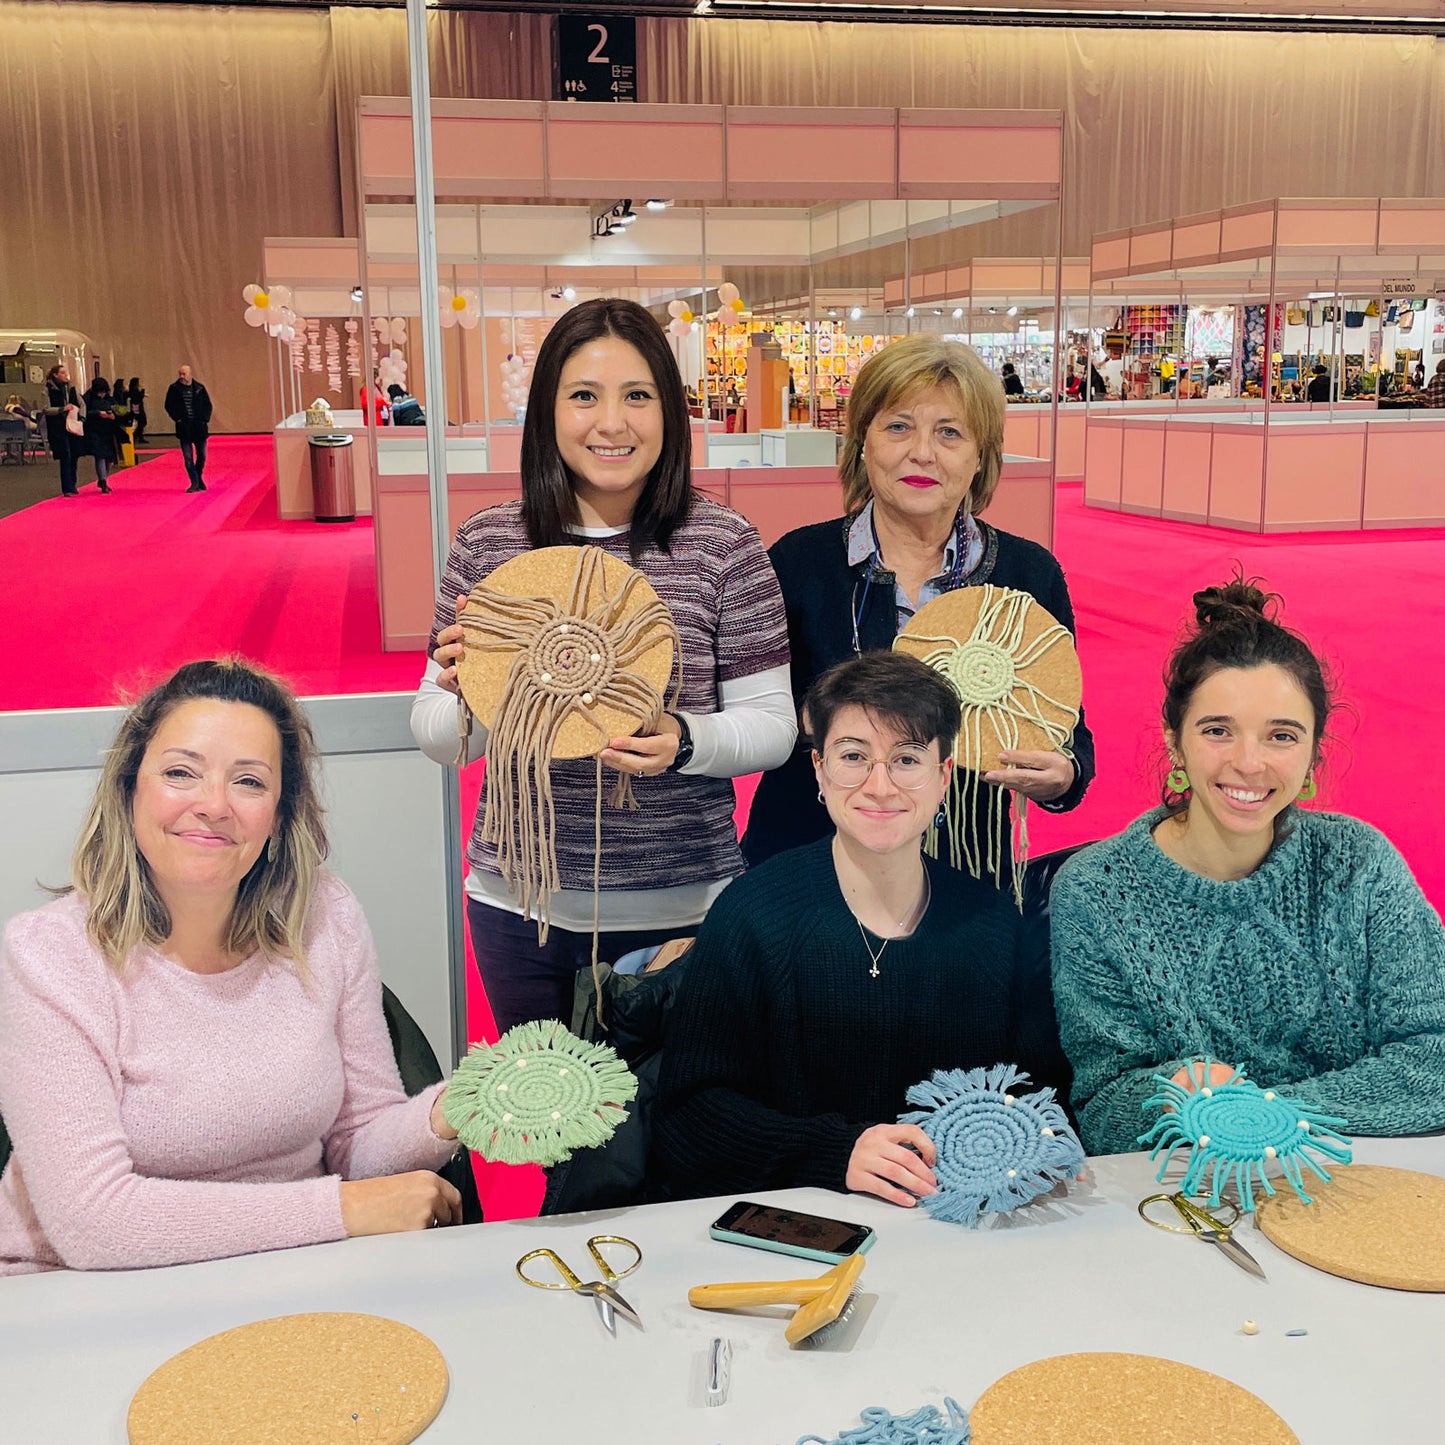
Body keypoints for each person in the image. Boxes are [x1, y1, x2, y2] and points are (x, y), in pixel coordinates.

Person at [0, 660, 466, 1275]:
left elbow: (358, 1143)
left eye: (248, 782)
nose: (214, 805)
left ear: (279, 812)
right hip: (81, 1289)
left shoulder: (326, 916)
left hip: (293, 1266)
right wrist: (347, 1210)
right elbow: (94, 1224)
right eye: (179, 773)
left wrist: (458, 1108)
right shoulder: (47, 954)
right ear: (129, 788)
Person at [412, 297, 794, 1034]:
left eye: (637, 396)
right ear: (547, 411)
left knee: (684, 1137)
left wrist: (683, 740)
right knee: (563, 1140)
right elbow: (434, 734)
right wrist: (478, 699)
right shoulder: (491, 544)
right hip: (521, 909)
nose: (611, 423)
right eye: (583, 395)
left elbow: (773, 727)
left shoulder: (722, 544)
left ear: (670, 412)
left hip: (688, 905)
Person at [651, 652, 1069, 1204]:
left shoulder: (991, 922)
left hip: (961, 1222)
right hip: (796, 1222)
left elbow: (1040, 1094)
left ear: (944, 776)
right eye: (854, 757)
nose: (880, 786)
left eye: (907, 759)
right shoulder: (754, 914)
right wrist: (834, 1152)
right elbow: (689, 1116)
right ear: (820, 769)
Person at [1050, 578, 1445, 1157]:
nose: (1249, 763)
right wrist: (1164, 1093)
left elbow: (1435, 1054)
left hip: (1360, 1180)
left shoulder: (1358, 863)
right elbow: (1104, 1113)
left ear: (1314, 753)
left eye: (1281, 735)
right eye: (1218, 731)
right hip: (1190, 1197)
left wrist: (1259, 1118)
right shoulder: (1096, 892)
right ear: (1175, 742)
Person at [741, 332, 1094, 875]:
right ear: (862, 442)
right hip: (805, 859)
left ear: (981, 456)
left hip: (962, 868)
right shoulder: (799, 561)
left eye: (949, 433)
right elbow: (760, 719)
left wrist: (1061, 777)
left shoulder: (1028, 574)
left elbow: (1070, 737)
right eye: (898, 426)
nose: (922, 452)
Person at [164, 364, 213, 492]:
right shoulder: (174, 389)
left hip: (199, 427)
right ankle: (195, 481)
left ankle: (198, 476)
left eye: (184, 374)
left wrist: (204, 419)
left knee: (202, 455)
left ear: (190, 374)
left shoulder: (199, 388)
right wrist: (178, 419)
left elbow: (208, 405)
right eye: (180, 374)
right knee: (188, 457)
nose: (181, 376)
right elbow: (168, 405)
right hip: (184, 427)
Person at [42, 363, 82, 497]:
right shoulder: (48, 389)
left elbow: (81, 403)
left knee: (74, 455)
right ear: (55, 375)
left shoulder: (70, 388)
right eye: (63, 373)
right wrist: (62, 409)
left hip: (71, 424)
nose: (66, 376)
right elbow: (46, 409)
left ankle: (73, 484)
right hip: (57, 427)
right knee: (66, 455)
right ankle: (67, 487)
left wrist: (82, 418)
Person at [80, 376, 119, 494]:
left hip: (108, 431)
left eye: (103, 392)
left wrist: (114, 415)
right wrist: (98, 413)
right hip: (94, 431)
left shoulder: (110, 399)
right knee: (100, 456)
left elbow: (119, 410)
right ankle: (103, 481)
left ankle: (103, 479)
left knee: (109, 458)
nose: (102, 395)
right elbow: (83, 413)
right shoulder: (88, 398)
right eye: (100, 392)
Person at [127, 377, 147, 446]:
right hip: (137, 407)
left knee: (139, 422)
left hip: (136, 407)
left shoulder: (133, 389)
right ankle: (137, 436)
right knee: (140, 421)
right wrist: (143, 391)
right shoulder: (134, 389)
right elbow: (139, 397)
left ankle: (137, 436)